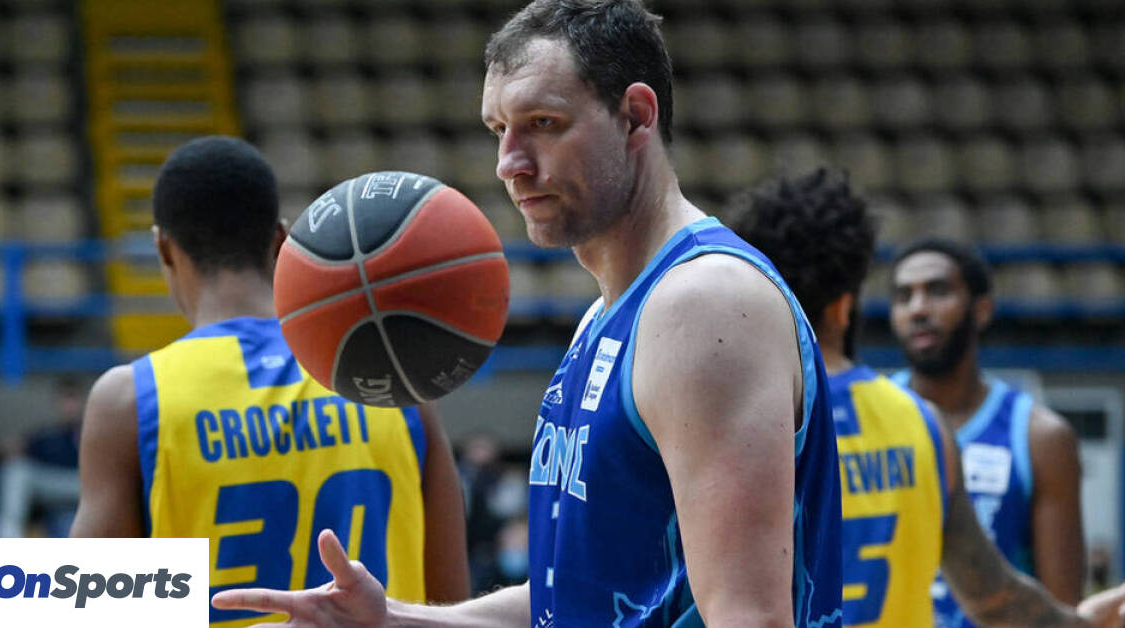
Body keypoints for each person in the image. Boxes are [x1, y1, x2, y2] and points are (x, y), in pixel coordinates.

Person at [214, 1, 844, 626]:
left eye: (543, 123)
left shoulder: (704, 305)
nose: (508, 164)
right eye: (499, 130)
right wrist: (395, 620)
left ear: (635, 116)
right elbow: (572, 594)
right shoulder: (608, 316)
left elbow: (749, 617)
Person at [69, 136, 470, 626]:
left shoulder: (127, 400)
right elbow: (456, 611)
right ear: (282, 242)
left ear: (164, 248)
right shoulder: (387, 376)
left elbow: (82, 615)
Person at [729, 168, 1125, 628]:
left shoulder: (743, 422)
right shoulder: (926, 423)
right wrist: (1080, 624)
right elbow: (995, 598)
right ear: (845, 303)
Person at [889, 237, 1086, 628]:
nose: (918, 309)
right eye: (903, 296)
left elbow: (1062, 608)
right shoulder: (860, 418)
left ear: (981, 310)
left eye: (938, 291)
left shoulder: (1040, 437)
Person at [0, 376, 84, 538]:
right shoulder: (47, 435)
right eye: (64, 399)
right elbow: (15, 448)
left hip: (80, 485)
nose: (69, 405)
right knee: (16, 470)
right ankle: (9, 540)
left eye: (73, 399)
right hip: (48, 484)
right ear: (57, 403)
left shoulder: (91, 431)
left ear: (81, 402)